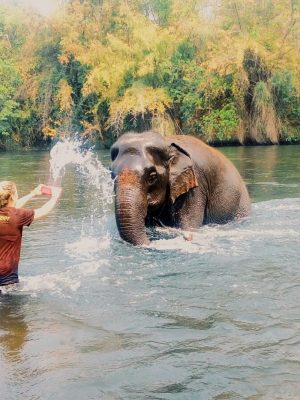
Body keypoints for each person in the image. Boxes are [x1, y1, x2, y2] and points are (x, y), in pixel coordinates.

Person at [0, 181, 62, 292]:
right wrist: (55, 197)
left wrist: (33, 193)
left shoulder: (14, 215)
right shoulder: (18, 216)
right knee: (9, 308)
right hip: (7, 280)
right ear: (13, 196)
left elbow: (10, 209)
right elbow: (43, 211)